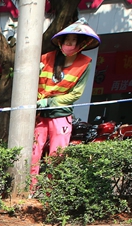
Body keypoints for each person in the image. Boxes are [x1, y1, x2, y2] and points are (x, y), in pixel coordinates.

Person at [31, 20, 100, 187]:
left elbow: (76, 94)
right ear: (61, 42)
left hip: (61, 115)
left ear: (80, 43)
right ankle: (29, 189)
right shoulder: (46, 58)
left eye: (73, 40)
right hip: (40, 114)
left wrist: (51, 101)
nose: (69, 44)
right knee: (33, 153)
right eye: (66, 40)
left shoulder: (84, 63)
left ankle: (51, 194)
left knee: (57, 155)